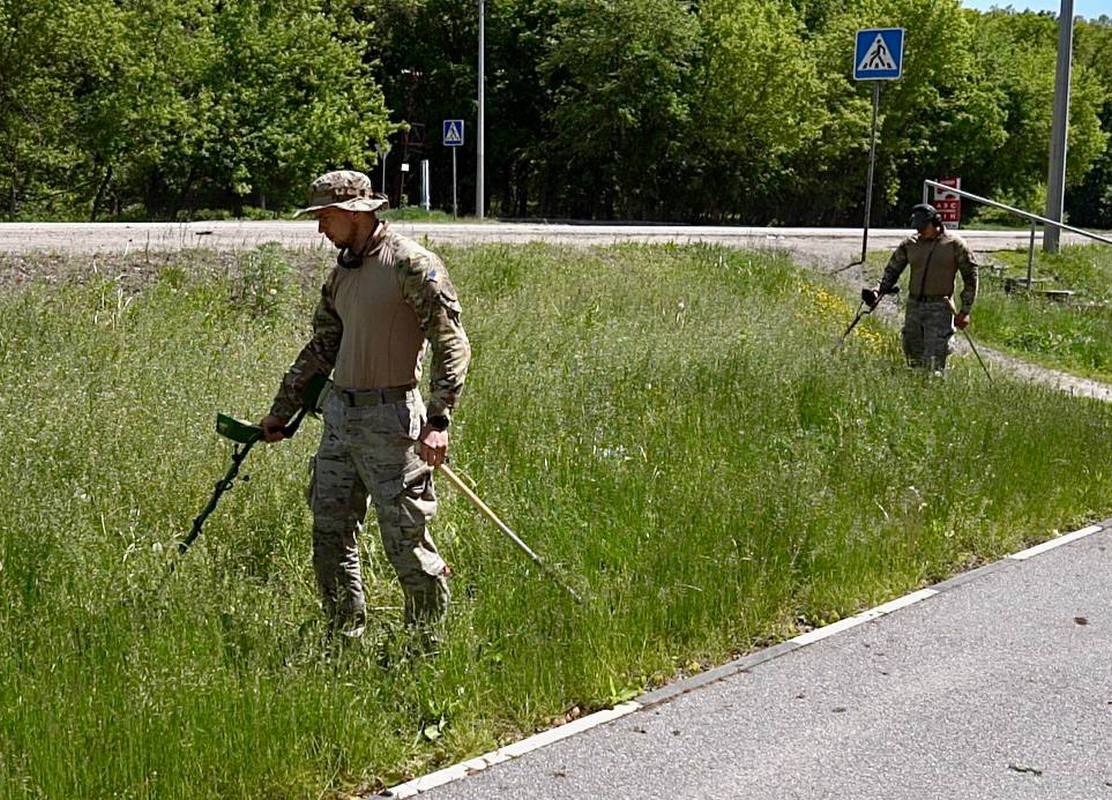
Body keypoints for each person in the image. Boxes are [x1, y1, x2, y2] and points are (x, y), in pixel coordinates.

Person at [258, 169, 471, 639]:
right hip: (340, 419)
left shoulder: (411, 265)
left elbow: (451, 343)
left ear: (355, 213)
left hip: (391, 421)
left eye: (325, 217)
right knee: (330, 534)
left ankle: (426, 645)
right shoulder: (341, 275)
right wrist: (282, 409)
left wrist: (438, 419)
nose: (319, 229)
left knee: (405, 541)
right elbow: (321, 348)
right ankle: (343, 635)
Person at [863, 203, 979, 372]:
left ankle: (934, 392)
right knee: (912, 355)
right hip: (914, 306)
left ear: (937, 223)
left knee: (934, 361)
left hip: (940, 307)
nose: (920, 231)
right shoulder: (910, 244)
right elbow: (892, 270)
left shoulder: (955, 244)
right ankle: (916, 391)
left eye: (924, 227)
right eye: (917, 227)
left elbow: (971, 277)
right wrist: (877, 290)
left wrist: (965, 310)